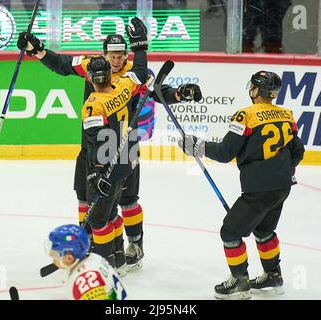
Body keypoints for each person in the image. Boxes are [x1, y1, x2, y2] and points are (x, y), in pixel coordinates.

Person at [17, 25, 202, 272]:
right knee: (85, 198)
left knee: (127, 201)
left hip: (124, 147)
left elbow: (159, 92)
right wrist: (37, 50)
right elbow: (61, 63)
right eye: (112, 55)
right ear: (103, 55)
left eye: (121, 54)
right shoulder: (99, 68)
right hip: (92, 148)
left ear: (126, 54)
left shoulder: (131, 74)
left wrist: (179, 94)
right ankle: (95, 247)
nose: (116, 59)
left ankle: (133, 245)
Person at [178, 71, 305, 300]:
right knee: (264, 230)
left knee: (230, 232)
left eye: (253, 87)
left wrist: (197, 146)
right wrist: (282, 170)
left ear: (257, 90)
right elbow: (298, 152)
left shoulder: (245, 115)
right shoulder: (286, 115)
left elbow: (226, 152)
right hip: (282, 187)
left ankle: (239, 282)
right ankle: (272, 276)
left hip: (258, 189)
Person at [79, 17, 149, 272]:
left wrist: (97, 170)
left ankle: (106, 263)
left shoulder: (93, 104)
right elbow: (140, 72)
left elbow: (96, 139)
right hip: (124, 159)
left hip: (106, 162)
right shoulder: (124, 87)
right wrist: (141, 46)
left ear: (89, 78)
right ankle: (118, 255)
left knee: (101, 217)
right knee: (115, 209)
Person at [46, 224, 127, 300]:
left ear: (69, 258)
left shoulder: (87, 279)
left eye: (55, 255)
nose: (52, 259)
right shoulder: (93, 259)